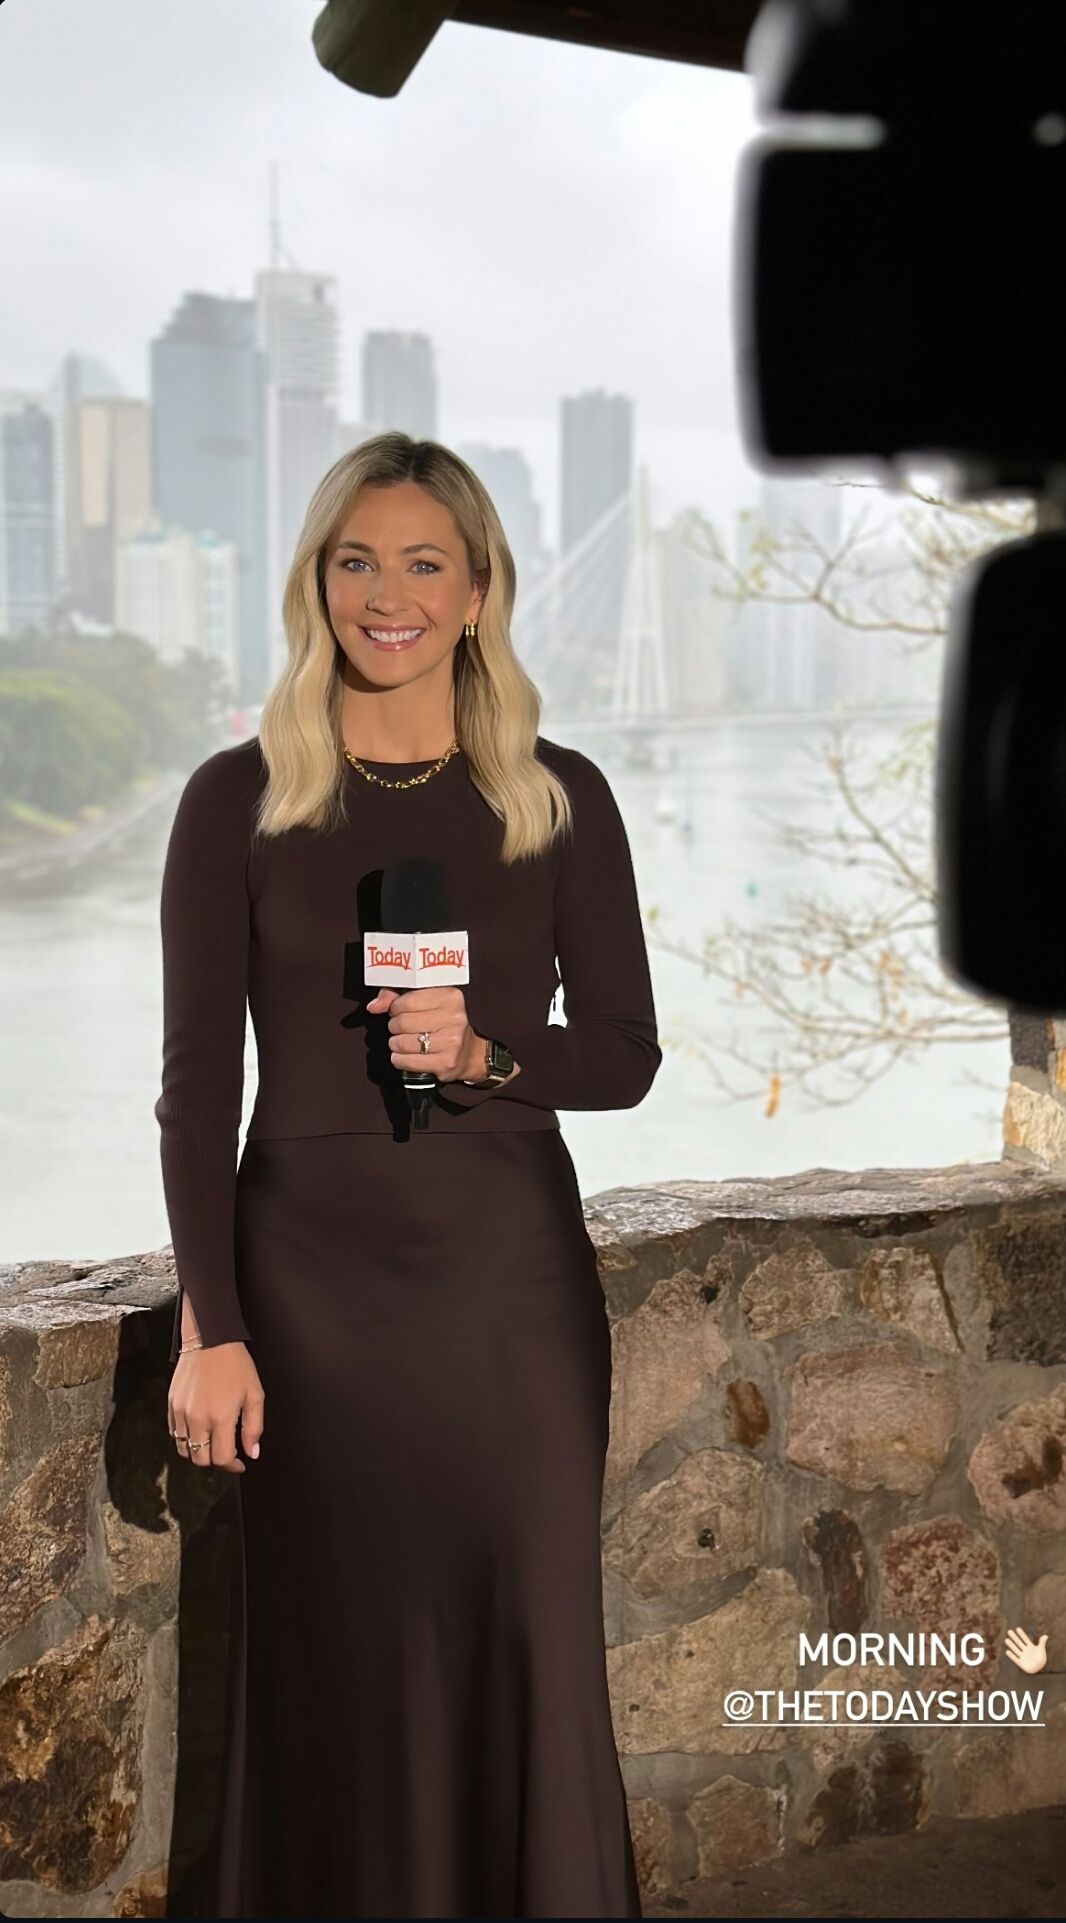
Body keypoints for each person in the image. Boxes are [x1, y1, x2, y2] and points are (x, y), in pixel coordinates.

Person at [158, 431, 661, 1919]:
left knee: (529, 1642)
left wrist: (490, 1054)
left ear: (479, 589)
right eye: (357, 561)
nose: (389, 595)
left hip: (509, 1294)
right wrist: (212, 1325)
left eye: (425, 563)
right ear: (317, 583)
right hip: (311, 1295)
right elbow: (198, 1095)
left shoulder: (557, 797)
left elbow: (623, 1054)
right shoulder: (236, 798)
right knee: (334, 1656)